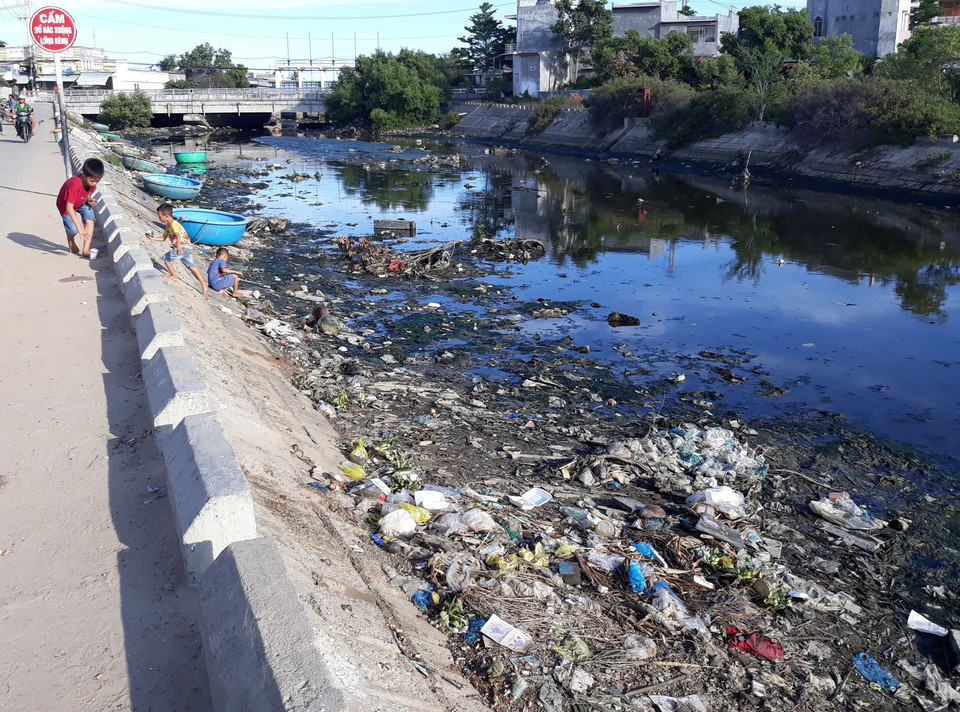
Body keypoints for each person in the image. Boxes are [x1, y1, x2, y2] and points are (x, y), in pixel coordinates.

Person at [145, 203, 207, 294]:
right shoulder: (168, 226)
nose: (159, 218)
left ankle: (174, 276)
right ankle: (203, 283)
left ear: (166, 216)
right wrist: (151, 238)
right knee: (191, 266)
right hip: (188, 247)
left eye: (160, 216)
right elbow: (163, 238)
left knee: (166, 259)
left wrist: (178, 247)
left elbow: (177, 235)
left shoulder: (174, 225)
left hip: (182, 247)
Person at [56, 157, 103, 256]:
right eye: (92, 181)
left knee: (90, 218)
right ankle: (71, 241)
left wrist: (88, 198)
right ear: (84, 175)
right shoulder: (74, 185)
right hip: (66, 206)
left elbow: (85, 192)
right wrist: (80, 227)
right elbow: (69, 207)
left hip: (80, 202)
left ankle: (86, 250)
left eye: (97, 181)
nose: (94, 184)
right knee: (73, 229)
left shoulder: (91, 183)